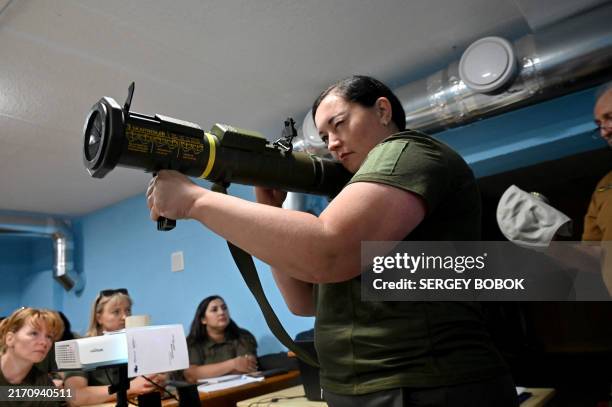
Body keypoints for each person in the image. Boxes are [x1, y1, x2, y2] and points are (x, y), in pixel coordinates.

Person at [147, 75, 517, 406]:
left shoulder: (409, 151)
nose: (333, 143)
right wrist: (269, 207)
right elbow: (303, 301)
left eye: (339, 124)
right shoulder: (351, 191)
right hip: (354, 388)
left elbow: (330, 252)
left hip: (427, 385)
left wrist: (195, 200)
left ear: (383, 111)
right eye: (324, 137)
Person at [64, 289, 166, 406]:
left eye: (128, 310)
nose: (125, 317)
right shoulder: (80, 348)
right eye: (116, 312)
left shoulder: (137, 345)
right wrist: (130, 388)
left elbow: (149, 383)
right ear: (99, 318)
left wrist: (157, 382)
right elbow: (74, 396)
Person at [182, 295, 257, 382]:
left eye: (224, 308)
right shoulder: (193, 342)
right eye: (214, 310)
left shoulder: (242, 336)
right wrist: (233, 364)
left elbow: (247, 367)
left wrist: (205, 372)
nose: (221, 312)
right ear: (203, 319)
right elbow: (191, 375)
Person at [0, 307, 64, 407]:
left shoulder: (44, 384)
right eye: (34, 333)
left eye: (49, 336)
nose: (44, 342)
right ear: (10, 339)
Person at [583, 83, 612, 293]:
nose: (604, 132)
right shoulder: (605, 187)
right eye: (599, 124)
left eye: (610, 117)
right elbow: (592, 258)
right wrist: (547, 241)